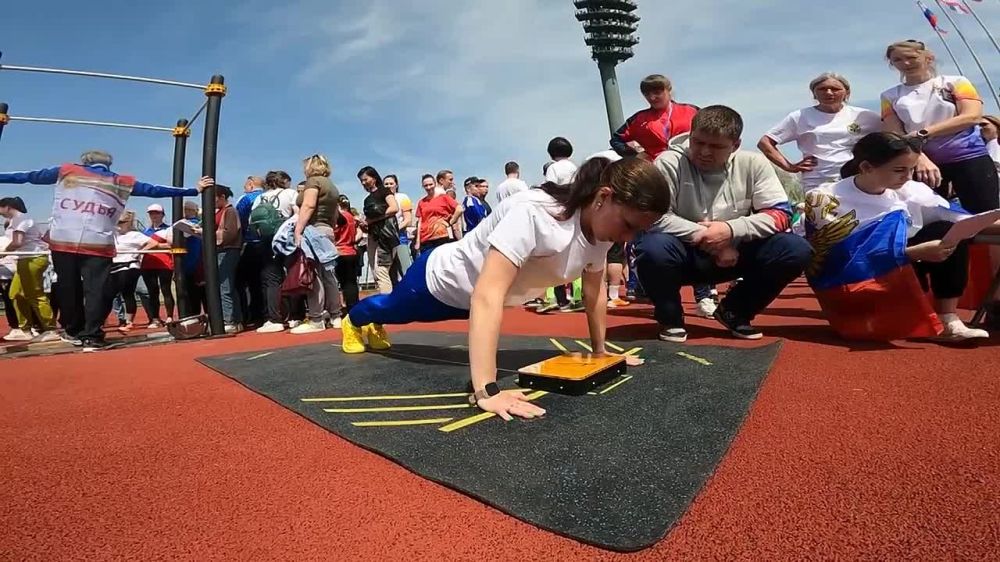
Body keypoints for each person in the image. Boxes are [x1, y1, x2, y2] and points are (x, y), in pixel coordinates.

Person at [340, 156, 669, 420]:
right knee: (390, 310)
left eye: (637, 231)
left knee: (401, 312)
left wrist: (600, 352)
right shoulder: (534, 212)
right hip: (439, 281)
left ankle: (368, 321)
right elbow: (487, 294)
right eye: (628, 225)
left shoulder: (600, 231)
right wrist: (486, 390)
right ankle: (354, 321)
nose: (628, 238)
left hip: (475, 299)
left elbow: (595, 294)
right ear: (603, 197)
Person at [635, 105, 813, 343]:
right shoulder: (668, 162)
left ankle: (735, 310)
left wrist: (731, 230)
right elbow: (654, 217)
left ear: (736, 145)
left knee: (796, 249)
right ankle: (670, 318)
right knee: (652, 247)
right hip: (685, 254)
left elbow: (780, 213)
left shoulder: (754, 163)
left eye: (716, 146)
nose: (704, 152)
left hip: (735, 253)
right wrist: (711, 238)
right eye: (697, 142)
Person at [0, 150, 212, 350]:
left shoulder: (66, 170)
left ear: (85, 161)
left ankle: (73, 331)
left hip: (64, 240)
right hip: (97, 243)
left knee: (68, 288)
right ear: (108, 164)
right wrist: (193, 190)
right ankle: (91, 335)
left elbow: (28, 176)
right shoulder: (120, 181)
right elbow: (153, 190)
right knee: (96, 290)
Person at [806, 132, 994, 341]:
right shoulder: (824, 199)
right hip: (860, 286)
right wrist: (910, 254)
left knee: (946, 229)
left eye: (911, 169)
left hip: (904, 268)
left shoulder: (912, 190)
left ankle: (947, 319)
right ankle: (912, 315)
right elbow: (838, 262)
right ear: (866, 167)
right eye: (899, 170)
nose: (907, 176)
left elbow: (970, 220)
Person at [881, 40, 998, 214]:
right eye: (897, 60)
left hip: (969, 158)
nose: (905, 63)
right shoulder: (889, 96)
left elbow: (972, 116)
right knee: (934, 222)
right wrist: (919, 158)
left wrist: (923, 134)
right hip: (922, 165)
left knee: (986, 216)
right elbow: (895, 133)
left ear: (928, 57)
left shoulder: (956, 82)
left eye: (911, 57)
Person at [758, 72, 881, 192]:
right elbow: (765, 142)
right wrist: (789, 167)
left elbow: (890, 136)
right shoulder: (800, 117)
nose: (828, 92)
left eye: (835, 89)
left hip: (857, 178)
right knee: (822, 212)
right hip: (817, 182)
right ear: (814, 94)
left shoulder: (864, 116)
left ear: (846, 93)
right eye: (822, 89)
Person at [292, 154, 343, 333]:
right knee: (329, 274)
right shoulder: (332, 186)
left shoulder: (313, 182)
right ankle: (336, 315)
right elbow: (336, 214)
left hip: (313, 229)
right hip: (327, 229)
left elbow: (308, 206)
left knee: (314, 274)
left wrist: (298, 229)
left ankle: (316, 318)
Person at [0, 197, 58, 342]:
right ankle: (25, 328)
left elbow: (17, 242)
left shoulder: (21, 219)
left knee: (34, 294)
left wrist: (3, 253)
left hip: (33, 258)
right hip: (24, 259)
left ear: (7, 207)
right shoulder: (17, 221)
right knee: (16, 293)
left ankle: (50, 329)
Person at [611, 74, 699, 161]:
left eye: (657, 93)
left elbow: (711, 130)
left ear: (669, 90)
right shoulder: (638, 119)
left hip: (692, 165)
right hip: (657, 168)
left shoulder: (691, 111)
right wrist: (637, 155)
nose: (652, 98)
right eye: (647, 94)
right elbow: (616, 140)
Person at [252, 171, 298, 333]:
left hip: (266, 240)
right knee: (293, 274)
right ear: (284, 180)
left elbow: (253, 221)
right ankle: (295, 316)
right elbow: (297, 214)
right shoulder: (290, 193)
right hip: (286, 236)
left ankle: (275, 318)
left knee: (272, 278)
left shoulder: (260, 198)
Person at [107, 211, 158, 332]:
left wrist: (138, 253)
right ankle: (113, 320)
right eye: (117, 222)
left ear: (128, 222)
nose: (118, 225)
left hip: (129, 265)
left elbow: (153, 243)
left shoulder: (135, 235)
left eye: (121, 222)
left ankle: (130, 321)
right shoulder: (113, 234)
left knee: (127, 291)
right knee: (110, 294)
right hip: (114, 266)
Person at [358, 166, 399, 295]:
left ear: (374, 178)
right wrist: (365, 223)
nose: (364, 183)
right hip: (373, 236)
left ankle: (387, 305)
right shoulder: (367, 199)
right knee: (376, 272)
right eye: (361, 181)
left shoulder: (384, 191)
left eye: (366, 179)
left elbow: (394, 208)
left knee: (381, 270)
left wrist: (374, 219)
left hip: (385, 237)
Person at [138, 203, 176, 328]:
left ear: (162, 214)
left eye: (157, 213)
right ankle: (155, 318)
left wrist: (155, 245)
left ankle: (170, 316)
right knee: (152, 291)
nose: (154, 215)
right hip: (148, 264)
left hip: (164, 263)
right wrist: (158, 244)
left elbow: (172, 244)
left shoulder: (168, 228)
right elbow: (141, 245)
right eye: (151, 213)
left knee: (166, 290)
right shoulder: (145, 231)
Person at [414, 173, 461, 255]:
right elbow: (420, 222)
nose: (428, 187)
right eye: (426, 185)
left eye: (430, 184)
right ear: (423, 186)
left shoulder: (444, 197)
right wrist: (418, 241)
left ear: (435, 184)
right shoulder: (421, 202)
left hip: (442, 236)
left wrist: (451, 222)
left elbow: (459, 209)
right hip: (426, 239)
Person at [384, 174, 413, 283]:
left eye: (391, 183)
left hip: (400, 238)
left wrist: (394, 230)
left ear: (396, 185)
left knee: (406, 269)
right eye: (386, 184)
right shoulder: (381, 199)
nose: (388, 186)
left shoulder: (403, 197)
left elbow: (407, 220)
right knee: (390, 273)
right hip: (385, 241)